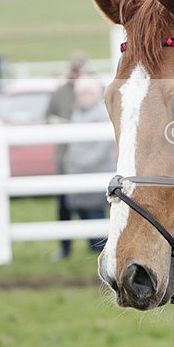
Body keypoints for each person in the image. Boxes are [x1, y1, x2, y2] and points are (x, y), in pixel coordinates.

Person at [55, 75, 115, 259]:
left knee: (95, 221)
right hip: (73, 172)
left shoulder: (102, 113)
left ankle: (102, 250)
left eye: (89, 92)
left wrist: (78, 163)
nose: (84, 96)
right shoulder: (74, 112)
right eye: (81, 92)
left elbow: (100, 149)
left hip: (95, 172)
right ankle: (65, 249)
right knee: (66, 210)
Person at [46, 51, 87, 259]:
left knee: (92, 203)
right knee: (63, 206)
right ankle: (65, 247)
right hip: (65, 156)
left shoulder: (92, 89)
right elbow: (48, 116)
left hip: (88, 158)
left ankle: (95, 244)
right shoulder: (60, 92)